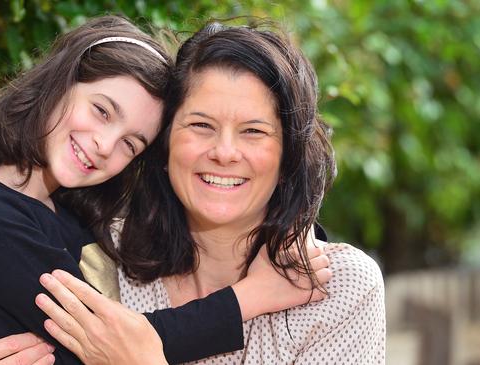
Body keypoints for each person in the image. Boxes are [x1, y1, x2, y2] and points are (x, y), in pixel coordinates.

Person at [0, 16, 333, 365]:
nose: (105, 144)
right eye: (102, 111)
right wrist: (252, 295)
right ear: (60, 80)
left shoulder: (59, 209)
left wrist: (292, 230)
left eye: (130, 144)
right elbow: (121, 342)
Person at [33, 22, 386, 364]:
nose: (224, 152)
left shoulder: (341, 290)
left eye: (253, 131)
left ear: (288, 156)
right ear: (165, 143)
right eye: (202, 125)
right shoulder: (98, 258)